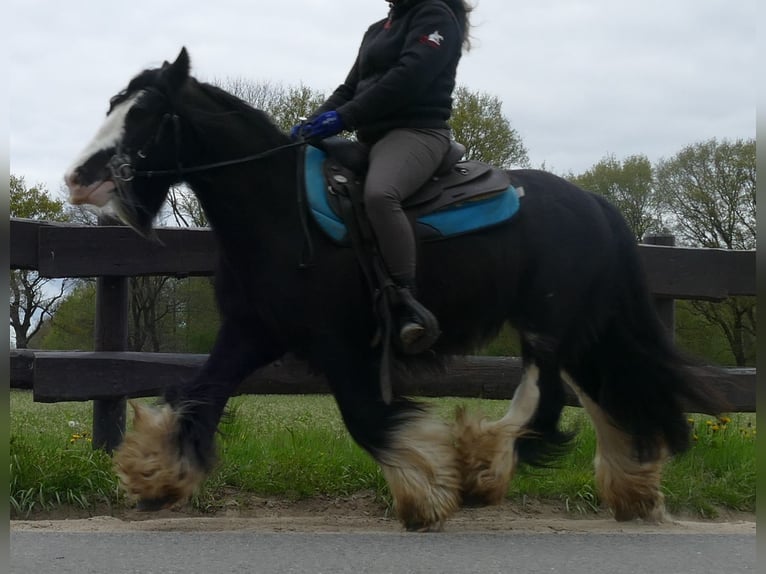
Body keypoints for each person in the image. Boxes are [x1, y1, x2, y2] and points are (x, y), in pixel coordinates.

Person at [291, 0, 472, 353]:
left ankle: (407, 302)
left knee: (380, 194)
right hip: (371, 138)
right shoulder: (376, 30)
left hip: (417, 133)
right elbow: (348, 89)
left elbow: (409, 78)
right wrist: (311, 123)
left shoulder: (435, 17)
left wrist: (345, 118)